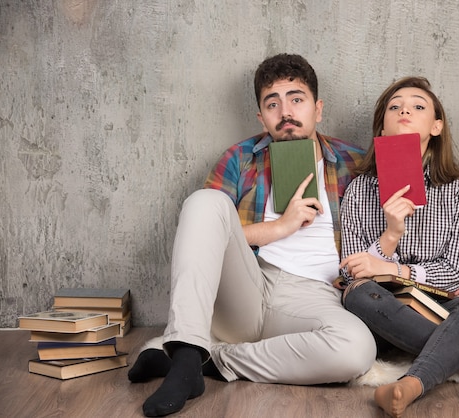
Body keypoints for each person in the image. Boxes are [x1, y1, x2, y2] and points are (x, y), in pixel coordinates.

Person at [126, 53, 378, 417]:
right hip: (247, 288)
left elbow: (406, 230)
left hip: (316, 297)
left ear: (317, 109)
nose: (285, 111)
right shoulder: (240, 158)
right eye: (272, 103)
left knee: (356, 350)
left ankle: (201, 361)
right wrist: (280, 227)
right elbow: (206, 236)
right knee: (204, 202)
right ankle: (185, 356)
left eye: (297, 99)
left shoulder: (356, 163)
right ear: (261, 116)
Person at [338, 76, 459, 418]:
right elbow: (351, 272)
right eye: (394, 106)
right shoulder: (360, 190)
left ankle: (409, 385)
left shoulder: (457, 192)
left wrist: (393, 269)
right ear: (382, 127)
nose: (404, 109)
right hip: (384, 314)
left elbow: (456, 271)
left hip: (437, 306)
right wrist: (391, 234)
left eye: (418, 106)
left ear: (436, 126)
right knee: (356, 292)